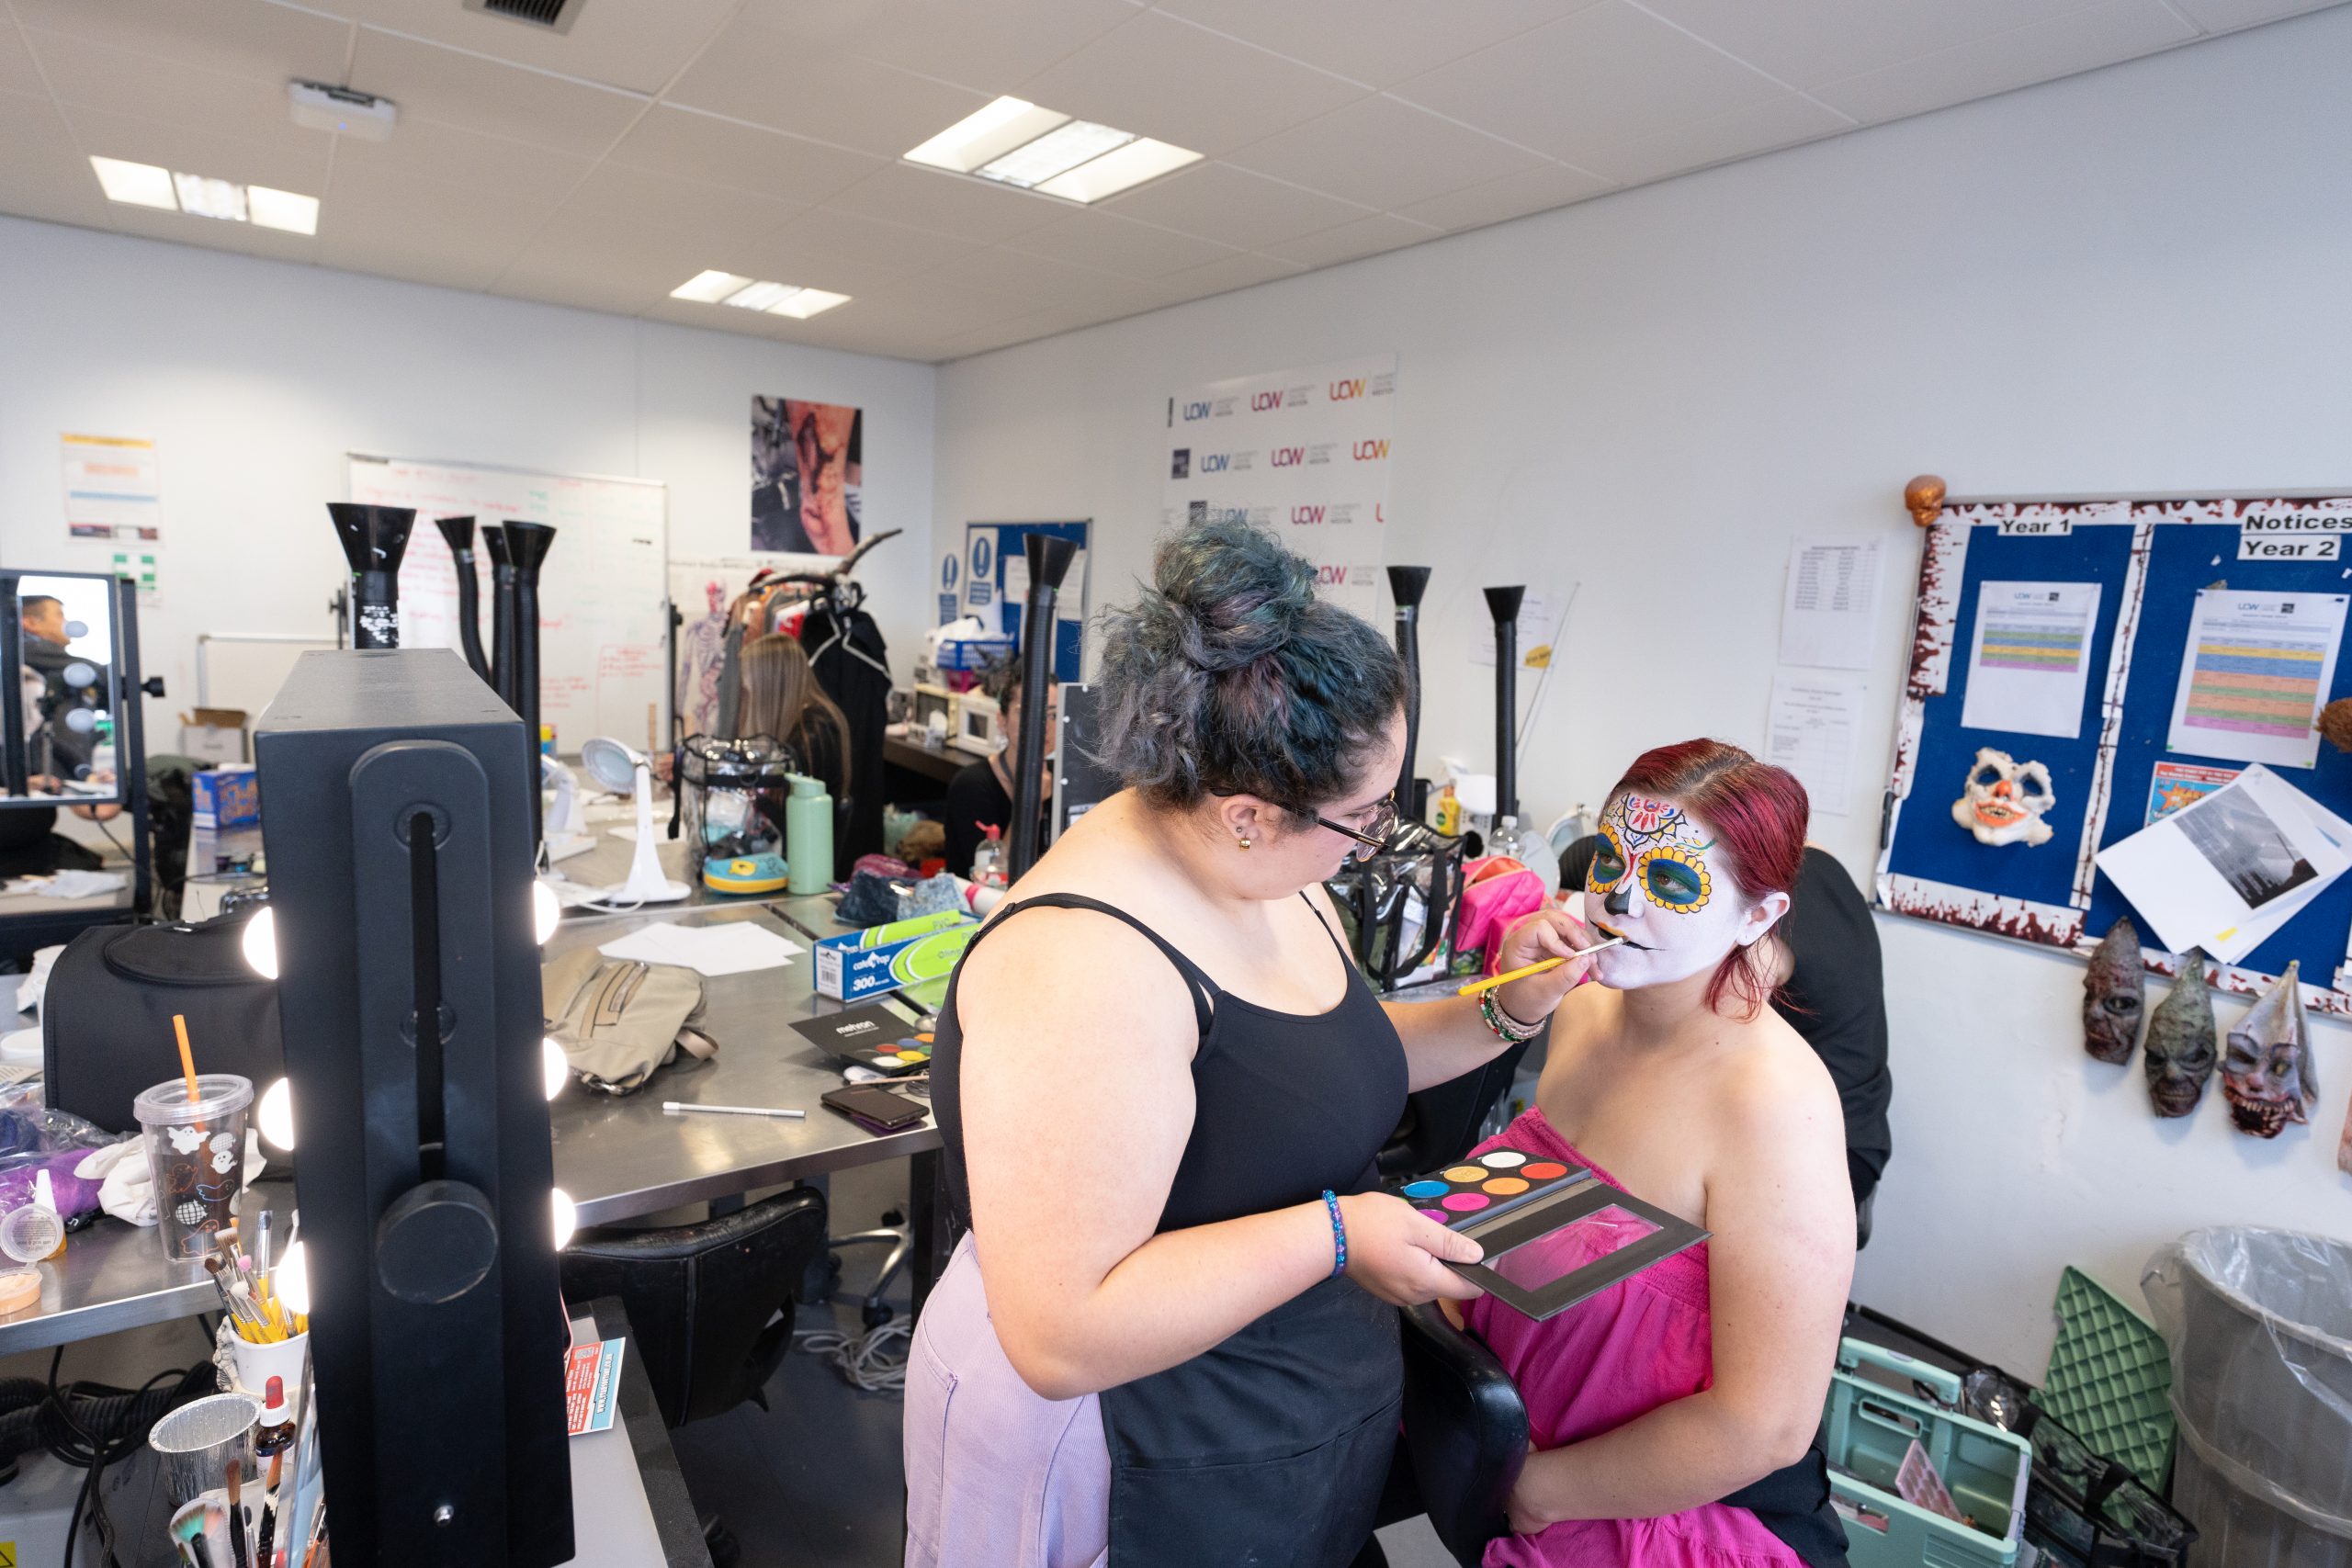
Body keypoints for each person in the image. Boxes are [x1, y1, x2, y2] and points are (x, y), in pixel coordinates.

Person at [905, 521, 1598, 1568]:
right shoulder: (1084, 964)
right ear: (1246, 814)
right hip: (1127, 1446)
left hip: (1276, 1425)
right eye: (1365, 815)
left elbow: (1307, 1067)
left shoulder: (1272, 872)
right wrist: (1337, 1235)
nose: (1378, 837)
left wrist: (1507, 1011)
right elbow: (1060, 1335)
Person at [1464, 740, 1855, 1566]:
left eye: (1673, 881)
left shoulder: (1773, 1108)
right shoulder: (1581, 1010)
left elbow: (1765, 1425)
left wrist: (1544, 1489)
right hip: (1505, 1445)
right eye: (1611, 860)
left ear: (1758, 917)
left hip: (1655, 1517)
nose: (1620, 898)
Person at [1560, 836, 1892, 1211]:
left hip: (1829, 1140)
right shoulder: (1803, 859)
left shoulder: (1762, 917)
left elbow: (1720, 1027)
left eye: (1665, 879)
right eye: (1609, 860)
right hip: (1836, 1106)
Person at [941, 657, 1055, 878]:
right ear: (1002, 721)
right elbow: (992, 879)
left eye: (1053, 715)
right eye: (1027, 712)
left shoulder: (1063, 779)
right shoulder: (971, 785)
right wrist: (1030, 805)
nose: (1043, 725)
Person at [19, 595, 106, 779]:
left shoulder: (56, 665)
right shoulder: (28, 650)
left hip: (65, 767)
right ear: (30, 623)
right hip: (47, 771)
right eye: (59, 615)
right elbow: (99, 674)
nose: (66, 622)